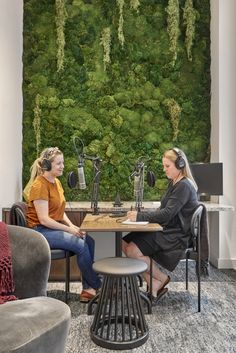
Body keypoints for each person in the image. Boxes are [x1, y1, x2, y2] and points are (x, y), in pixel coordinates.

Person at [122, 148, 199, 303]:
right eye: (163, 166)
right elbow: (165, 210)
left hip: (174, 235)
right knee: (123, 242)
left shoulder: (183, 186)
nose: (164, 170)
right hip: (166, 229)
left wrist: (139, 216)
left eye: (167, 166)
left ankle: (161, 279)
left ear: (180, 165)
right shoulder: (174, 183)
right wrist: (145, 215)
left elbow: (167, 214)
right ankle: (155, 283)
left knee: (131, 249)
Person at [26, 147, 101, 303]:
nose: (63, 166)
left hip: (51, 228)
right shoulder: (39, 185)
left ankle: (88, 289)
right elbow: (44, 220)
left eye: (63, 163)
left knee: (89, 240)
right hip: (40, 232)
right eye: (58, 163)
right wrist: (69, 230)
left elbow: (60, 212)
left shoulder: (57, 182)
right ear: (47, 165)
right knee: (80, 245)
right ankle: (97, 286)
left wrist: (73, 226)